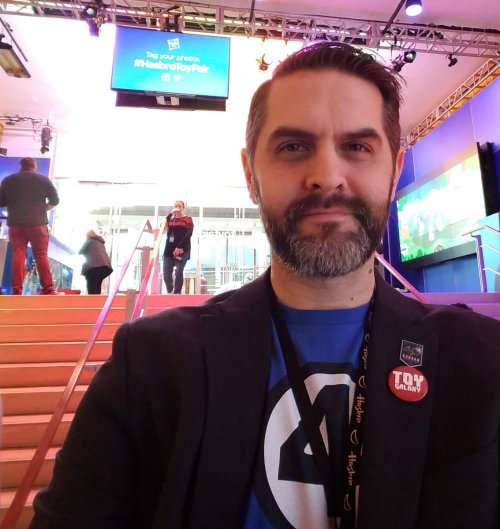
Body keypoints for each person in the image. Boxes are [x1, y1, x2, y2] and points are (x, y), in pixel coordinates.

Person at [30, 42, 500, 529]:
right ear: (250, 175)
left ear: (395, 171)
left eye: (357, 147)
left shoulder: (482, 361)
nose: (326, 177)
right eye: (294, 147)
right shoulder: (151, 366)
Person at [0, 157, 62, 295]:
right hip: (37, 223)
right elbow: (55, 200)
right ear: (34, 166)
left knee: (18, 254)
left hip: (16, 223)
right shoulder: (43, 180)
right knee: (41, 255)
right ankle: (48, 289)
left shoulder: (8, 180)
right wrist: (44, 208)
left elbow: (1, 202)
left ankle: (17, 291)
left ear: (21, 166)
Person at [162, 200, 194, 294]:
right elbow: (163, 227)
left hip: (182, 250)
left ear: (183, 208)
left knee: (179, 271)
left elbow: (189, 234)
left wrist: (179, 247)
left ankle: (177, 293)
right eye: (176, 206)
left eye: (180, 206)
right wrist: (170, 214)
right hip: (169, 250)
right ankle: (170, 289)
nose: (177, 208)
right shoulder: (170, 219)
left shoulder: (187, 219)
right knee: (166, 273)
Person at [79, 229, 113, 294]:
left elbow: (81, 251)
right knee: (97, 285)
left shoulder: (89, 240)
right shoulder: (100, 242)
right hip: (106, 267)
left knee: (92, 286)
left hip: (95, 266)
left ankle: (92, 300)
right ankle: (97, 299)